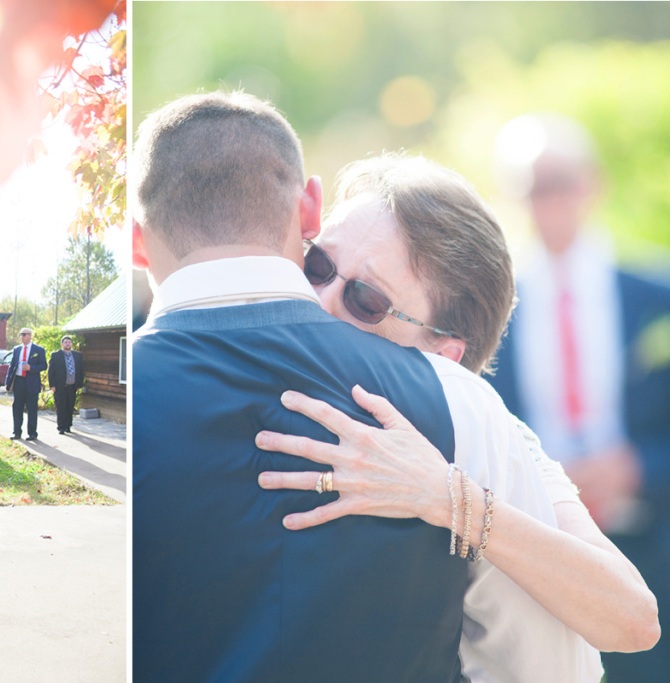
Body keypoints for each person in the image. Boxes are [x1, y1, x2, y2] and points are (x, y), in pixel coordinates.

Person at [254, 154, 657, 674]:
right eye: (317, 266)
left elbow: (632, 619)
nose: (319, 301)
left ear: (442, 355)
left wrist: (444, 495)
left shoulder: (497, 438)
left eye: (364, 299)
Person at [487, 113, 670, 681]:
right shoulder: (493, 307)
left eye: (562, 182)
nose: (550, 201)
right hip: (539, 548)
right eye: (533, 187)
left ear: (592, 184)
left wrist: (635, 466)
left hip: (651, 536)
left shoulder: (655, 296)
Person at [5, 328, 46, 441]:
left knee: (32, 408)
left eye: (24, 334)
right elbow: (12, 366)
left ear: (30, 335)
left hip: (32, 382)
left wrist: (31, 368)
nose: (22, 337)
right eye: (20, 334)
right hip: (19, 381)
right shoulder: (17, 349)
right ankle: (16, 432)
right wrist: (8, 382)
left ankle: (32, 433)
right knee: (17, 407)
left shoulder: (38, 349)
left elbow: (44, 366)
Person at [47, 335, 83, 435]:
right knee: (61, 407)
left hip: (72, 386)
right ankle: (61, 427)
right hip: (60, 386)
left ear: (71, 344)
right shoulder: (56, 355)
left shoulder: (77, 355)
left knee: (70, 406)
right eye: (66, 342)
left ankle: (68, 426)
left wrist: (79, 384)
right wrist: (52, 385)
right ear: (62, 344)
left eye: (69, 342)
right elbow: (51, 372)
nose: (68, 344)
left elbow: (80, 370)